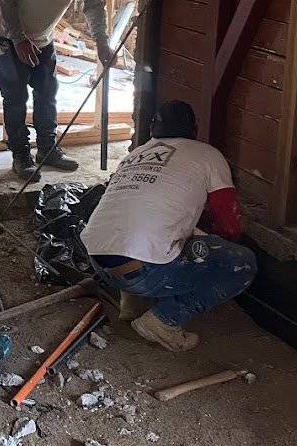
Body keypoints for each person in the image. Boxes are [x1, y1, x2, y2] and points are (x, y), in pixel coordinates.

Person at [81, 99, 256, 352]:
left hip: (98, 262)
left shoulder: (134, 155)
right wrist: (216, 249)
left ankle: (132, 305)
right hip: (143, 272)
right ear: (194, 130)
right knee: (242, 263)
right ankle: (163, 320)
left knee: (146, 234)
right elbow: (228, 222)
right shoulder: (208, 154)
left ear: (153, 128)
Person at [0, 0, 114, 178]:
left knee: (47, 93)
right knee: (15, 97)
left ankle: (47, 148)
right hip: (6, 36)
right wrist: (18, 39)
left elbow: (94, 4)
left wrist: (102, 41)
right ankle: (21, 154)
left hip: (42, 37)